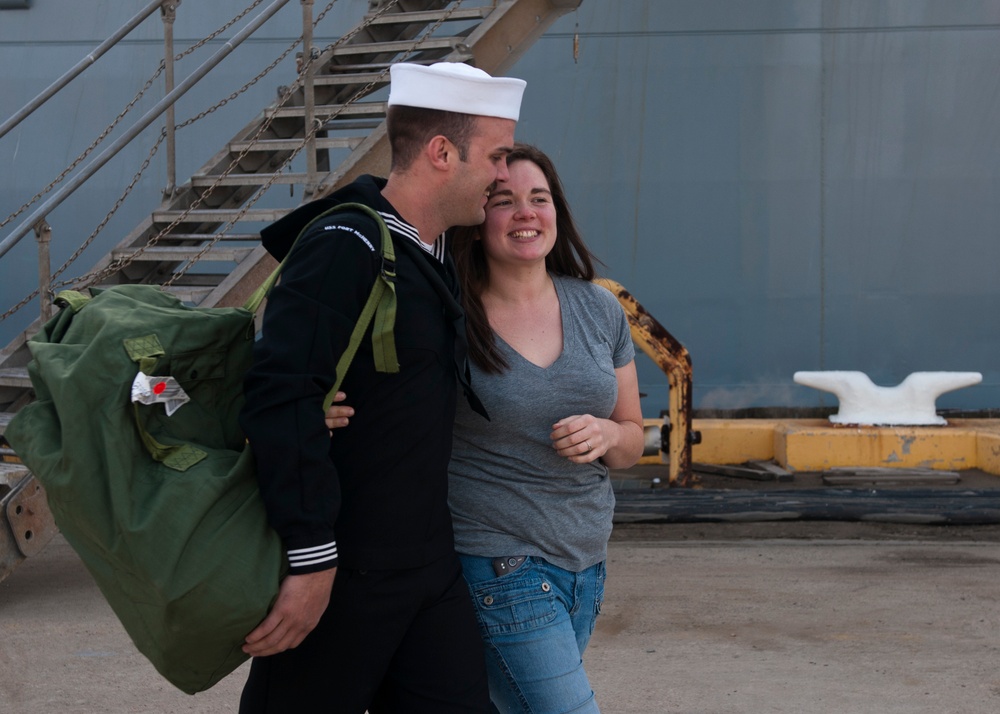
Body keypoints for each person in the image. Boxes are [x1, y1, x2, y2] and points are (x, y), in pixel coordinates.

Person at [238, 61, 526, 713]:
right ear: (442, 152)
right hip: (345, 573)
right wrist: (311, 562)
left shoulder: (435, 250)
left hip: (426, 569)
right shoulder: (346, 243)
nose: (506, 174)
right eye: (499, 155)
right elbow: (279, 394)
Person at [327, 143, 645, 713]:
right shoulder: (445, 311)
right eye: (505, 200)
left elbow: (632, 439)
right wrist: (318, 408)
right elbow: (366, 379)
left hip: (586, 565)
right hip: (498, 566)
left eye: (538, 198)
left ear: (557, 213)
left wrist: (609, 434)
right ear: (479, 217)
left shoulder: (600, 309)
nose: (526, 212)